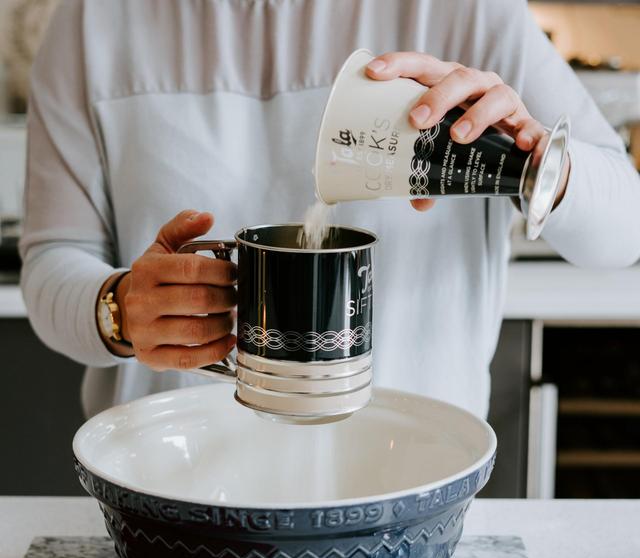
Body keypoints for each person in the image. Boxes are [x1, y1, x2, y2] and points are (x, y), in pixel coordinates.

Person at [20, 0, 640, 420]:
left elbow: (624, 228)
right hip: (171, 487)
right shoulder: (90, 23)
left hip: (408, 486)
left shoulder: (469, 12)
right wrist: (120, 307)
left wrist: (533, 156)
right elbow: (53, 259)